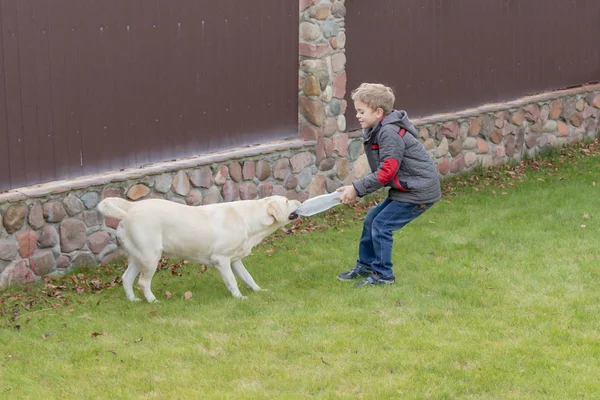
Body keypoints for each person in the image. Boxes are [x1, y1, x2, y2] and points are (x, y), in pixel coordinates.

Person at [337, 83, 441, 287]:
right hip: (406, 189)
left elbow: (385, 173)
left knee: (382, 225)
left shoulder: (389, 133)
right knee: (372, 219)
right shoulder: (378, 129)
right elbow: (385, 169)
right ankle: (366, 266)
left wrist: (356, 189)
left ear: (378, 112)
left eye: (361, 111)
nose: (357, 116)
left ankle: (383, 276)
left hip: (418, 191)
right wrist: (357, 187)